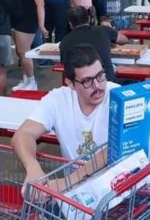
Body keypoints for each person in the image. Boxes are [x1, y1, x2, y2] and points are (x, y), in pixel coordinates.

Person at [12, 44, 118, 186]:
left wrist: (68, 182)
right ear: (70, 84)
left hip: (113, 186)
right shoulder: (58, 99)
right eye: (87, 81)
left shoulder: (119, 96)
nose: (98, 86)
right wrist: (33, 168)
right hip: (75, 191)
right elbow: (23, 134)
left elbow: (115, 148)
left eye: (100, 76)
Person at [8, 0, 47, 91]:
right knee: (21, 52)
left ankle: (31, 81)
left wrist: (41, 25)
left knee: (24, 52)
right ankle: (26, 79)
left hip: (27, 21)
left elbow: (40, 5)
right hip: (16, 20)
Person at [60, 6, 128, 82]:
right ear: (89, 19)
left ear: (70, 24)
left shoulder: (64, 42)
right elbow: (124, 40)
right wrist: (109, 38)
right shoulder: (103, 30)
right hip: (106, 81)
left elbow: (66, 66)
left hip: (81, 85)